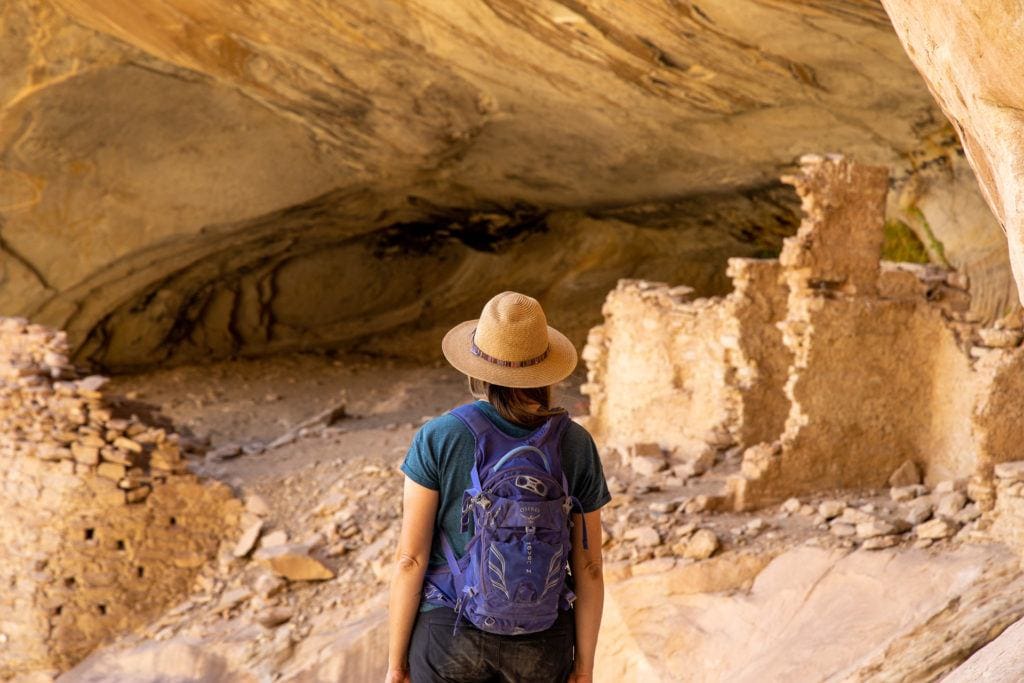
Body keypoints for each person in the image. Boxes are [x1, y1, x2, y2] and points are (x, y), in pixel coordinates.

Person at [386, 291, 611, 683]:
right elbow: (589, 566)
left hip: (448, 632)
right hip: (543, 637)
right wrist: (585, 667)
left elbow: (410, 560)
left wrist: (396, 664)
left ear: (476, 369)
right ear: (546, 372)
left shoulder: (439, 436)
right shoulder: (575, 444)